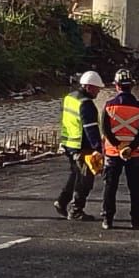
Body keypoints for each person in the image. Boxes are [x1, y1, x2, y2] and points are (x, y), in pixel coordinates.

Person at [99, 68, 139, 230]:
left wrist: (118, 145)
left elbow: (105, 129)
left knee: (110, 186)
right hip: (134, 153)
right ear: (131, 85)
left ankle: (108, 218)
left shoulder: (109, 106)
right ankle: (136, 220)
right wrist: (130, 147)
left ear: (117, 85)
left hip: (113, 153)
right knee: (135, 187)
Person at [55, 69, 105, 220]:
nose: (98, 92)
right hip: (82, 147)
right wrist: (98, 149)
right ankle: (76, 210)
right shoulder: (86, 104)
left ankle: (62, 202)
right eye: (97, 89)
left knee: (75, 174)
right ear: (89, 87)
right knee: (85, 179)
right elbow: (91, 129)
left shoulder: (70, 98)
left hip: (69, 143)